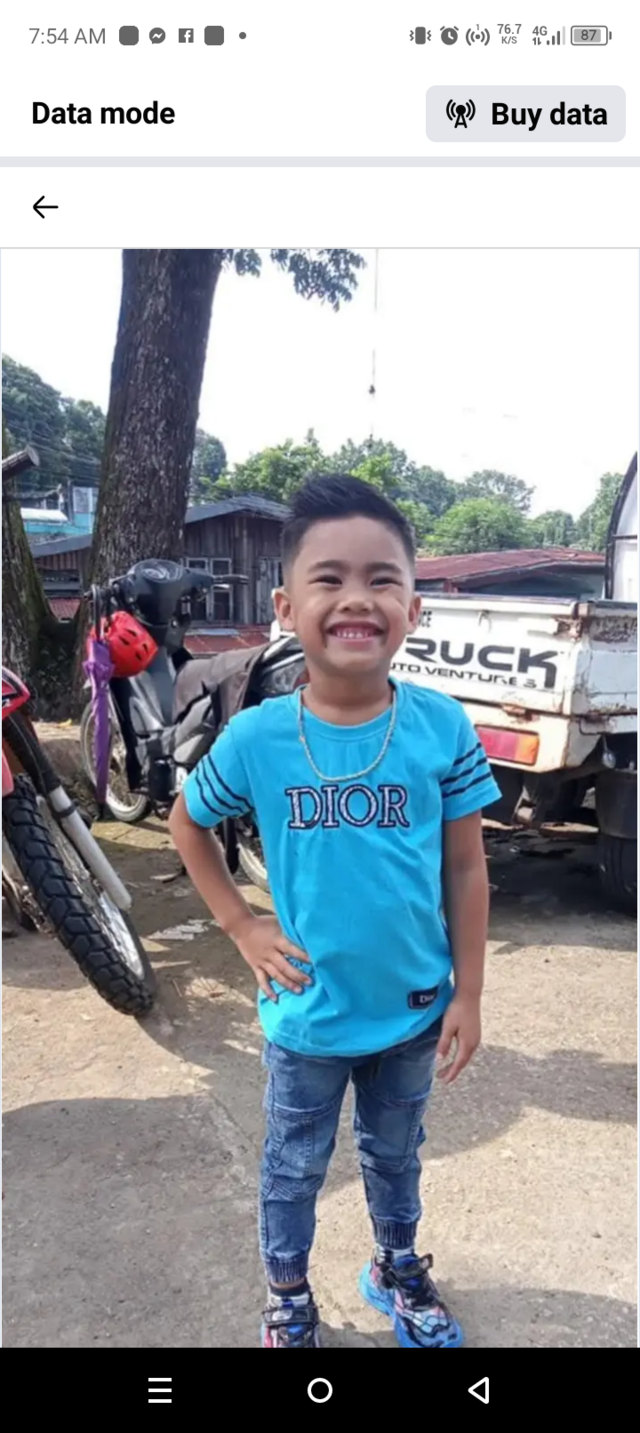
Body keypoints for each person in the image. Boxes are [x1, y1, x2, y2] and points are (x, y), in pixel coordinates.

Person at [169, 474, 501, 1349]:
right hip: (307, 1015)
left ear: (413, 609)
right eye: (330, 578)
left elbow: (467, 866)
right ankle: (287, 1295)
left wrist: (469, 992)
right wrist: (241, 925)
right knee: (293, 1167)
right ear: (286, 607)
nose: (357, 597)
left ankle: (395, 1267)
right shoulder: (258, 737)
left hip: (413, 1010)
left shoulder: (441, 727)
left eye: (382, 579)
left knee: (396, 1155)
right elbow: (187, 822)